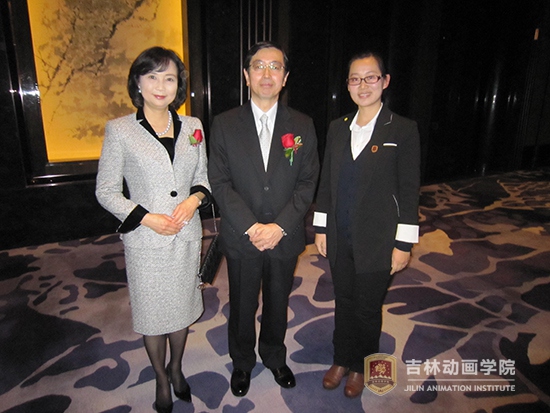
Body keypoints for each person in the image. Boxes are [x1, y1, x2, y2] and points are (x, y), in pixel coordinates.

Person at [96, 46, 212, 413]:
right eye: (152, 77)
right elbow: (106, 191)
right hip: (146, 241)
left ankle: (176, 367)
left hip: (186, 235)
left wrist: (193, 201)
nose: (161, 86)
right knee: (153, 316)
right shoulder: (120, 130)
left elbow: (202, 178)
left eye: (169, 78)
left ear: (179, 85)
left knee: (181, 309)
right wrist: (147, 217)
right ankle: (161, 378)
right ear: (137, 83)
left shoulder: (193, 127)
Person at [208, 41, 319, 397]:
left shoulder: (302, 124)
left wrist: (280, 226)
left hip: (284, 235)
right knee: (242, 304)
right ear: (246, 75)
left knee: (278, 300)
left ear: (285, 77)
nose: (267, 73)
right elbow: (220, 182)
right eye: (258, 66)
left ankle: (273, 355)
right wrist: (253, 227)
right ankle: (242, 362)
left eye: (275, 67)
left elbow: (308, 182)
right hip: (243, 235)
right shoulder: (225, 124)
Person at [314, 51, 420, 398]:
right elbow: (327, 183)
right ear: (347, 85)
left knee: (367, 308)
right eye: (355, 79)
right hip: (339, 233)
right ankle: (341, 358)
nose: (363, 85)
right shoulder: (337, 127)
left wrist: (403, 244)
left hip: (379, 239)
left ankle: (361, 365)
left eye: (371, 77)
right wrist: (321, 227)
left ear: (385, 81)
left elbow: (409, 190)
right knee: (343, 300)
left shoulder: (402, 129)